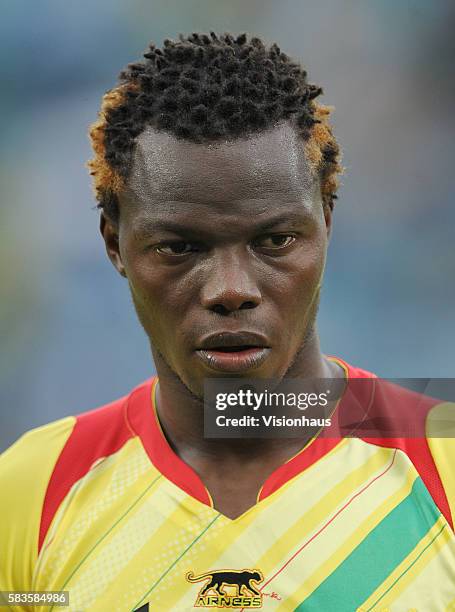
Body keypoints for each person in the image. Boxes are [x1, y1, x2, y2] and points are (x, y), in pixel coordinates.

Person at [0, 32, 454, 611]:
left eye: (275, 239)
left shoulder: (443, 462)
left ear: (327, 223)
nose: (231, 290)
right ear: (115, 244)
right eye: (180, 248)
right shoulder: (29, 493)